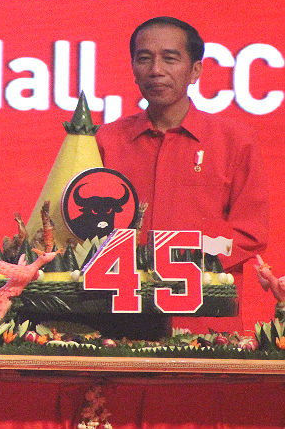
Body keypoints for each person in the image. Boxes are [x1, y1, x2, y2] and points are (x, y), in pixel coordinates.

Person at [96, 17, 269, 334]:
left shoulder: (234, 139)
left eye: (170, 58)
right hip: (119, 321)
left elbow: (250, 235)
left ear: (195, 71)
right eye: (144, 58)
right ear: (134, 67)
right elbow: (85, 231)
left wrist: (188, 255)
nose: (155, 70)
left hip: (206, 322)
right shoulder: (107, 141)